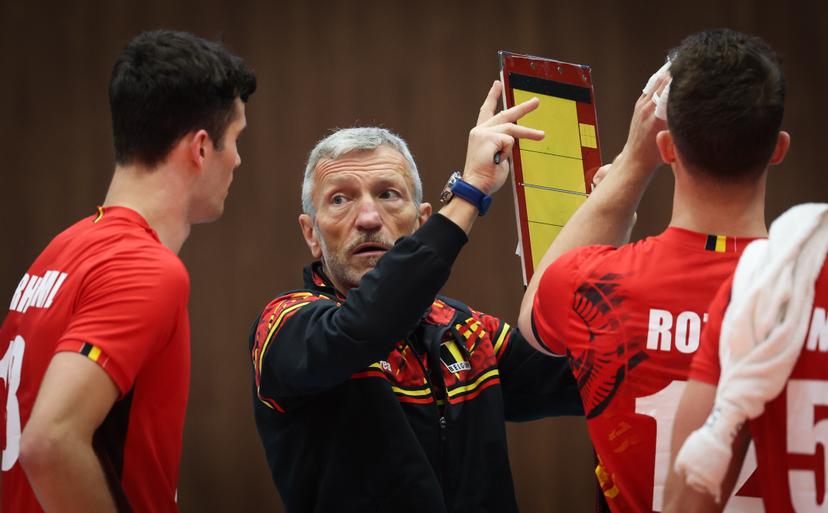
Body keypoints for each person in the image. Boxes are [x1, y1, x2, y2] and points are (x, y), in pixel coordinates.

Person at [248, 82, 583, 513]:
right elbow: (364, 325)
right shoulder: (286, 325)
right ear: (311, 234)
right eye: (339, 199)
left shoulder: (468, 330)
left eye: (388, 194)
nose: (368, 218)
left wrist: (615, 199)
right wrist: (471, 191)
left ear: (422, 221)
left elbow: (593, 375)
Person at [517, 28, 789, 513]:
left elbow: (532, 321)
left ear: (667, 147)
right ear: (778, 148)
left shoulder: (588, 281)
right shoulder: (815, 291)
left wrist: (631, 165)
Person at [0, 30, 256, 513]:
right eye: (236, 140)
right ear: (200, 149)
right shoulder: (145, 267)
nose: (238, 159)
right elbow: (49, 442)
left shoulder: (60, 250)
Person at [663, 204, 828, 513]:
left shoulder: (766, 282)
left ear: (667, 152)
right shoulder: (776, 276)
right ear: (778, 151)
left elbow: (689, 502)